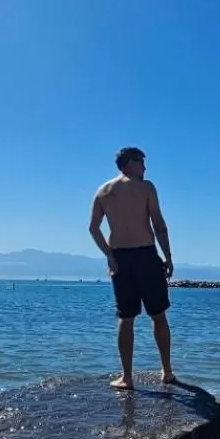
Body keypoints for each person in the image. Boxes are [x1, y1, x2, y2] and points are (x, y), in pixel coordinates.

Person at [88, 146, 176, 390]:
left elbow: (93, 228)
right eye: (141, 163)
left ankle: (127, 377)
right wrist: (168, 257)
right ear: (129, 163)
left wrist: (109, 255)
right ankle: (167, 372)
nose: (145, 168)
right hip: (146, 255)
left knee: (126, 318)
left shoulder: (104, 191)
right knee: (158, 315)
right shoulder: (146, 188)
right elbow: (159, 225)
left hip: (120, 258)